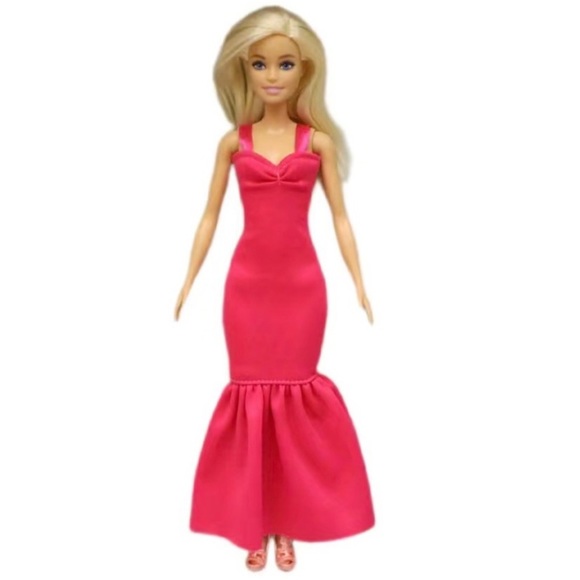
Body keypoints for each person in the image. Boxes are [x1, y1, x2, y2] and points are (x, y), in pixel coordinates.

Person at [174, 5, 375, 572]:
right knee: (251, 402)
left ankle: (286, 526)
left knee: (293, 401)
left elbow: (340, 217)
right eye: (260, 63)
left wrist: (359, 281)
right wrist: (188, 278)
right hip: (247, 288)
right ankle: (252, 526)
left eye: (285, 64)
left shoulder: (319, 144)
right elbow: (210, 215)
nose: (271, 75)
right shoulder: (232, 144)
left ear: (304, 70)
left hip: (301, 288)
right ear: (243, 68)